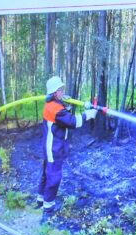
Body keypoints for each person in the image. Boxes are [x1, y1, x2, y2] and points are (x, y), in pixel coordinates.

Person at [36, 76, 96, 217]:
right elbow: (73, 122)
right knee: (54, 177)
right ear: (55, 93)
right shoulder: (55, 109)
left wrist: (66, 104)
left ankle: (40, 200)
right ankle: (48, 209)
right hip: (54, 149)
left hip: (50, 147)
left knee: (46, 174)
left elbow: (62, 114)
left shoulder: (53, 105)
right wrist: (88, 115)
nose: (63, 91)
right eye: (61, 90)